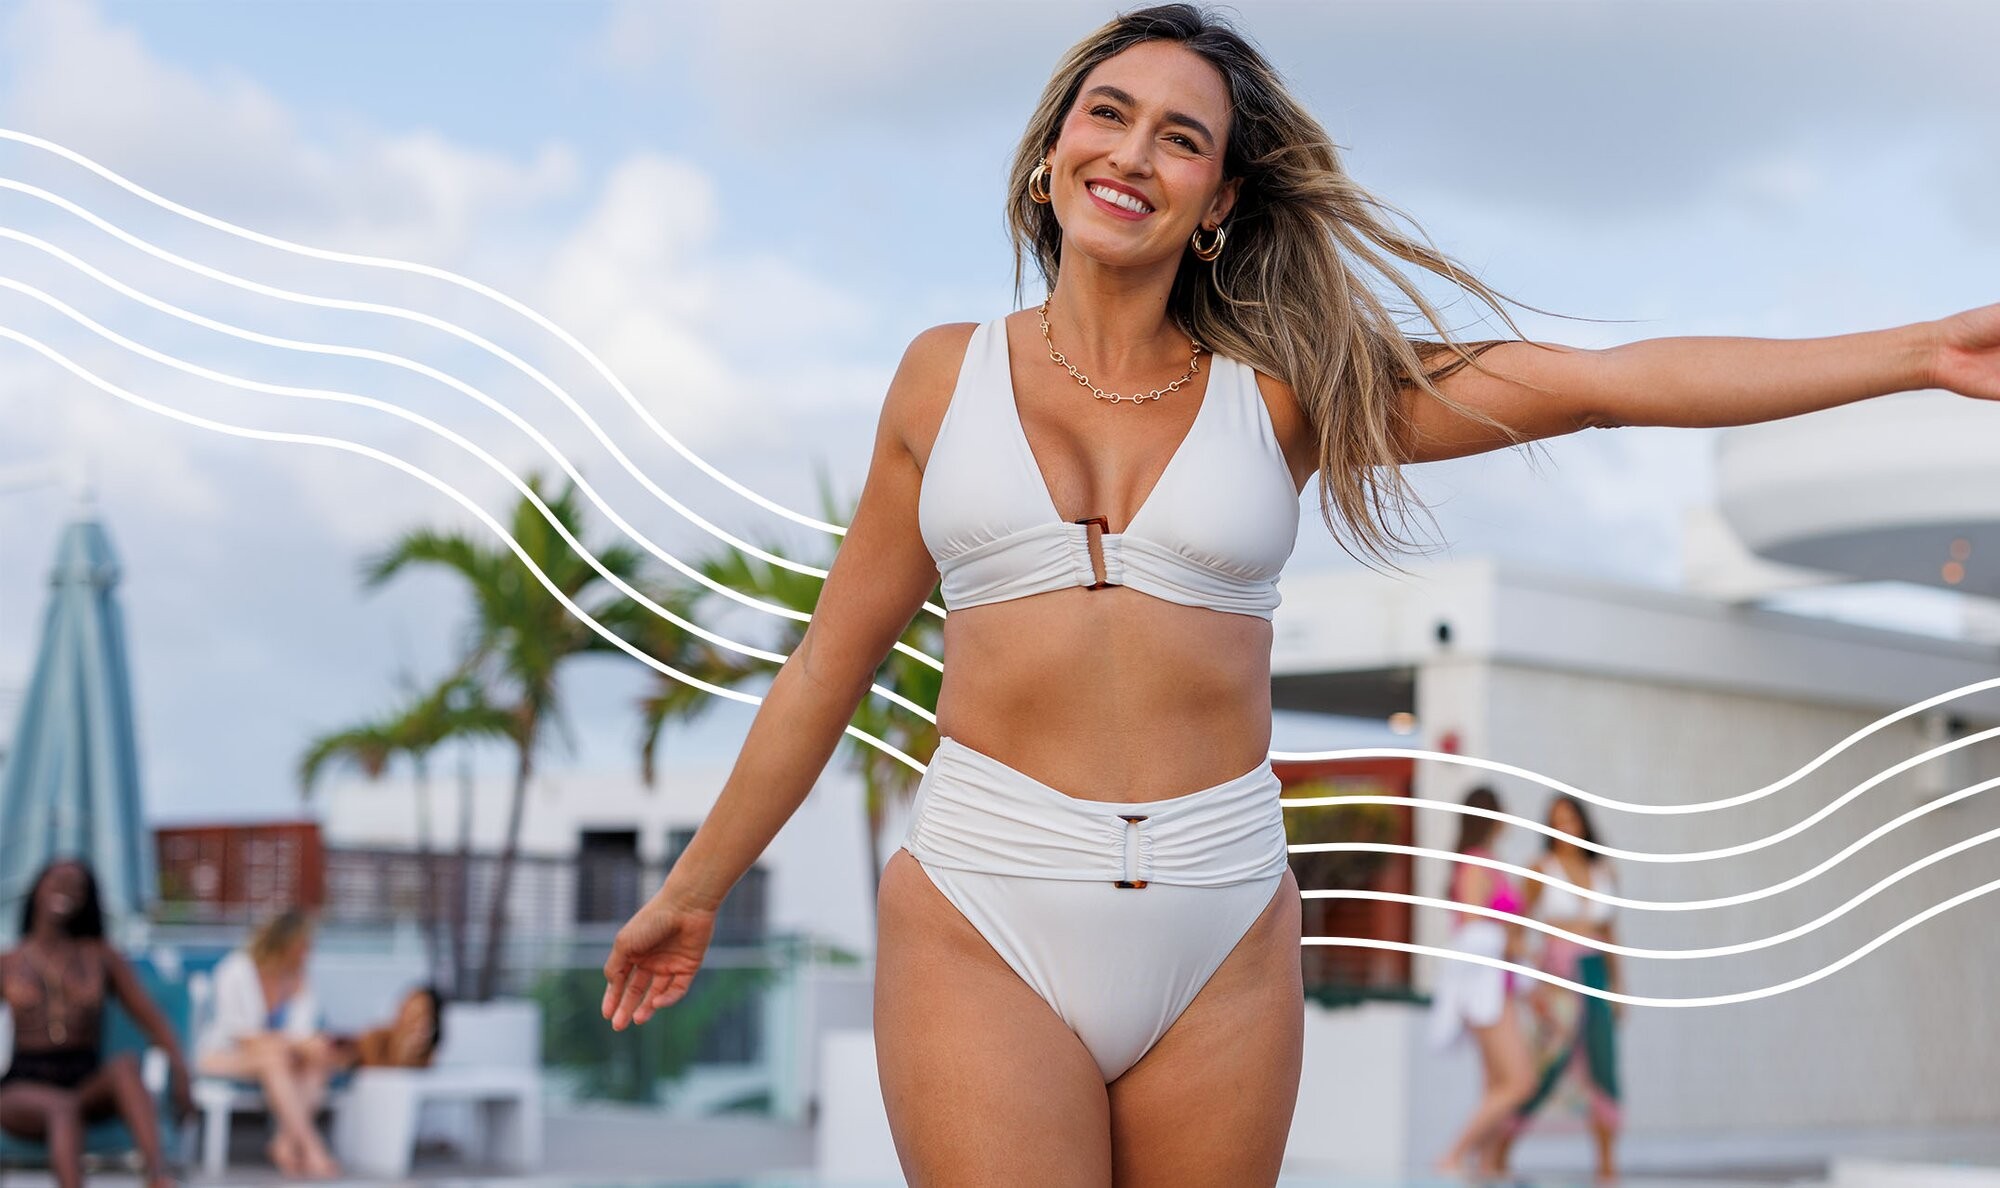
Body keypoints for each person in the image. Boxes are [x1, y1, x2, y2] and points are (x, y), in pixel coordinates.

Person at [598, 3, 1998, 1181]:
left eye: (1182, 136)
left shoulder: (1284, 392)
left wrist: (1922, 350)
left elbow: (1595, 384)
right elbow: (830, 668)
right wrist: (698, 887)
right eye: (1109, 113)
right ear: (1049, 157)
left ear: (1219, 201)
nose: (1134, 152)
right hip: (987, 899)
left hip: (1220, 919)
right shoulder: (938, 377)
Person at [0, 857, 193, 1188]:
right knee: (61, 1106)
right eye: (57, 879)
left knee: (125, 1067)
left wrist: (181, 1071)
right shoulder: (10, 962)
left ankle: (159, 1178)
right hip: (24, 1084)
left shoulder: (100, 956)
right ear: (38, 888)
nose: (66, 888)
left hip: (85, 1079)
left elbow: (151, 1018)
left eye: (77, 885)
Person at [1491, 794, 1624, 1182]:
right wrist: (1532, 978)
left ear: (1583, 824)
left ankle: (1606, 1167)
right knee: (1546, 1064)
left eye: (1571, 820)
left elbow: (1611, 934)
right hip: (1558, 979)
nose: (1565, 828)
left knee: (1604, 1065)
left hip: (1596, 974)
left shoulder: (1604, 872)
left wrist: (1619, 987)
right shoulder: (1540, 870)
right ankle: (1500, 1152)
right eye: (1557, 821)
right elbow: (1515, 929)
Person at [1428, 787, 1535, 1176]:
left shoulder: (1489, 861)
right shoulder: (1475, 864)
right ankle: (1453, 1155)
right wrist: (1517, 943)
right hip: (1483, 989)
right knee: (1520, 1082)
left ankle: (1487, 1164)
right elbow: (1472, 927)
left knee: (1496, 1084)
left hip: (1499, 983)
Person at [192, 909, 341, 1179]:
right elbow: (241, 1034)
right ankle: (312, 1147)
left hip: (275, 1056)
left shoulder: (297, 979)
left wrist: (307, 1046)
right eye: (303, 945)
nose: (307, 953)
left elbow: (302, 1031)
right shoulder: (236, 970)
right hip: (223, 1055)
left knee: (314, 1063)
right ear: (283, 942)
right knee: (274, 1059)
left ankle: (284, 1142)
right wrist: (296, 1044)